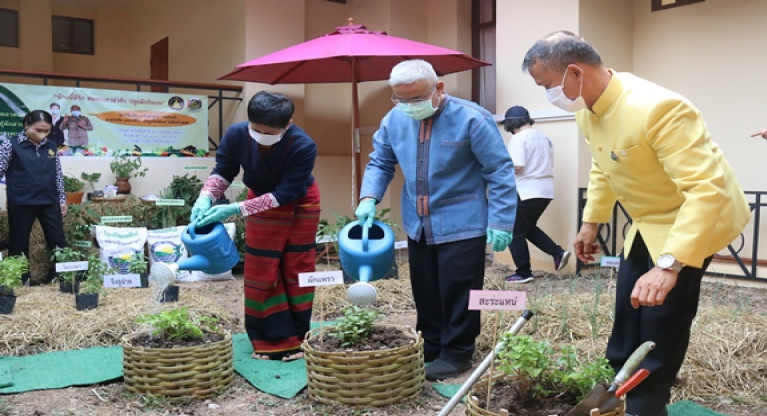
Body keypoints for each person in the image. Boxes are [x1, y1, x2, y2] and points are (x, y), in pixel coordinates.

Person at [521, 31, 750, 416]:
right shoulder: (587, 108)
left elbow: (705, 190)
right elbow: (603, 167)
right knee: (630, 304)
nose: (548, 96)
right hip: (648, 220)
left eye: (547, 86)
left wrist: (669, 264)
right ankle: (617, 383)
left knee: (663, 313)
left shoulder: (658, 108)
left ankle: (649, 403)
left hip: (693, 217)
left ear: (575, 72)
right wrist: (591, 222)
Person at [355, 59, 517, 380]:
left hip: (463, 221)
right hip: (418, 222)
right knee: (425, 288)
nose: (409, 106)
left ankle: (458, 352)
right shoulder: (393, 120)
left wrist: (501, 220)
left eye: (416, 99)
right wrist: (368, 198)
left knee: (458, 289)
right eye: (401, 99)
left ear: (438, 88)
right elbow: (380, 162)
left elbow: (499, 171)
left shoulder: (472, 119)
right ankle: (430, 344)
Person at [190, 91, 320, 362]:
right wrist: (206, 197)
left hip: (299, 203)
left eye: (269, 132)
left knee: (296, 266)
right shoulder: (237, 134)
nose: (261, 135)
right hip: (259, 200)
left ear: (289, 124)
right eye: (256, 129)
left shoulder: (303, 145)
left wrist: (235, 209)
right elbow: (224, 169)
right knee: (263, 267)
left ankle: (297, 339)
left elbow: (286, 193)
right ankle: (271, 340)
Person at [500, 105, 570, 284]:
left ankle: (523, 273)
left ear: (511, 123)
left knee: (513, 232)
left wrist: (496, 170)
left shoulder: (519, 138)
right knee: (527, 228)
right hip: (545, 191)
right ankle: (558, 253)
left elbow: (517, 165)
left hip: (526, 190)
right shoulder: (545, 138)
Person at [0, 110, 68, 284]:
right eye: (38, 130)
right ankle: (21, 280)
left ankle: (60, 277)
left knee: (57, 239)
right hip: (22, 202)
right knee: (19, 242)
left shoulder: (51, 146)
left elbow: (58, 174)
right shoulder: (11, 144)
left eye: (46, 130)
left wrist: (62, 199)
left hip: (49, 200)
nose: (43, 134)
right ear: (27, 125)